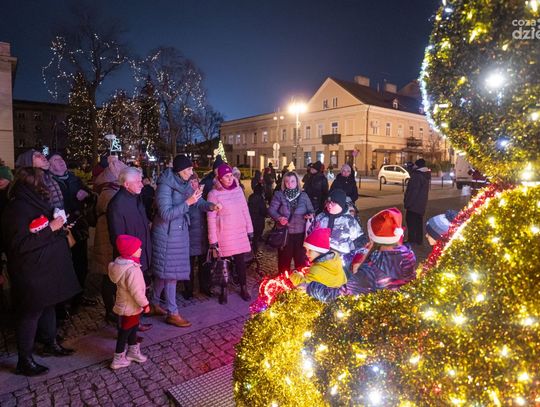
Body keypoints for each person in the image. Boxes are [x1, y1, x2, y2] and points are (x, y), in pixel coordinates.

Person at [2, 167, 80, 376]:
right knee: (30, 314)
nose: (46, 184)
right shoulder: (17, 208)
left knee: (48, 306)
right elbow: (19, 245)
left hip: (45, 268)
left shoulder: (36, 203)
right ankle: (24, 360)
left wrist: (61, 227)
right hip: (31, 271)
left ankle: (50, 343)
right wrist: (51, 229)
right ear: (32, 184)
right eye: (41, 181)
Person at [151, 155, 218, 326]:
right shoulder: (165, 186)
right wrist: (188, 203)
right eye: (188, 169)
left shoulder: (183, 183)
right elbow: (165, 214)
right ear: (180, 170)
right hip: (167, 234)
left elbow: (197, 202)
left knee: (165, 272)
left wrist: (210, 206)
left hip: (178, 233)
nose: (191, 172)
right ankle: (172, 313)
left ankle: (154, 303)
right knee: (171, 274)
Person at [307, 208, 416, 302]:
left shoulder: (370, 272)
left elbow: (339, 296)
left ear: (373, 238)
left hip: (377, 315)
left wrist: (311, 287)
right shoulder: (408, 255)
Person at [107, 167, 153, 332]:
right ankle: (125, 330)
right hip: (130, 258)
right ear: (126, 184)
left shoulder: (135, 197)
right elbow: (118, 237)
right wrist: (130, 258)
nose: (141, 184)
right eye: (138, 181)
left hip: (140, 252)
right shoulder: (117, 205)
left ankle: (134, 324)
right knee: (126, 292)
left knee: (138, 288)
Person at [48, 153, 96, 310]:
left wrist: (87, 195)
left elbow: (92, 197)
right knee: (63, 265)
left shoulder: (74, 179)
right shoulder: (48, 182)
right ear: (49, 165)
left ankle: (78, 298)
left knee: (81, 263)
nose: (61, 162)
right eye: (56, 160)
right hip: (60, 230)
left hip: (78, 227)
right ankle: (62, 303)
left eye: (61, 159)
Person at [207, 163, 254, 302]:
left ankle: (243, 287)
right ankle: (224, 289)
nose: (229, 178)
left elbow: (245, 210)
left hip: (239, 231)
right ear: (219, 178)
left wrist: (250, 230)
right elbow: (211, 218)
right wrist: (213, 240)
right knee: (224, 264)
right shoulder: (213, 194)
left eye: (231, 175)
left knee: (240, 262)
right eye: (226, 176)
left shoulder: (238, 190)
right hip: (224, 234)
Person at [93, 155, 128, 322]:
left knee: (111, 275)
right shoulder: (109, 192)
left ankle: (112, 309)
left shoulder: (110, 189)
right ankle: (110, 310)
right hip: (108, 238)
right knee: (109, 276)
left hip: (109, 236)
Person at [108, 235, 150, 370]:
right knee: (125, 330)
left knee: (133, 327)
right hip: (131, 306)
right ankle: (118, 358)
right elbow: (136, 292)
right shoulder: (132, 270)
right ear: (130, 252)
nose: (141, 249)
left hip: (125, 304)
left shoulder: (121, 265)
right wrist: (145, 304)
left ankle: (132, 351)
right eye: (138, 248)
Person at [268, 171, 314, 273]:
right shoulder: (279, 195)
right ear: (284, 183)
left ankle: (299, 281)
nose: (290, 184)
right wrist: (279, 218)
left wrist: (310, 215)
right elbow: (271, 210)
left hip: (301, 235)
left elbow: (311, 211)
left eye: (292, 181)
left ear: (297, 182)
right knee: (284, 262)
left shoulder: (304, 196)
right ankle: (284, 280)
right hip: (285, 234)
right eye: (287, 181)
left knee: (300, 262)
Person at [308, 189, 365, 258]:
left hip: (340, 259)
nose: (329, 205)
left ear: (341, 204)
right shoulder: (320, 217)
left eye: (334, 203)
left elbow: (360, 240)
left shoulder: (349, 221)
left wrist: (349, 250)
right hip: (319, 257)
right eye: (328, 202)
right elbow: (310, 233)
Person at [289, 228, 346, 293]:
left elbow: (303, 286)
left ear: (319, 250)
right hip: (340, 292)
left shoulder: (315, 269)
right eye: (306, 250)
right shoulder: (335, 258)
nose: (306, 253)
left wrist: (294, 275)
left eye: (310, 250)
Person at [186, 173, 212, 298]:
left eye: (195, 182)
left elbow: (203, 205)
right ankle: (188, 290)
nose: (193, 185)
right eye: (190, 183)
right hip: (189, 239)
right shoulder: (185, 199)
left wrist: (211, 206)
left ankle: (204, 287)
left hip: (202, 238)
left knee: (204, 265)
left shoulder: (201, 197)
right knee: (189, 267)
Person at [404, 158, 431, 244]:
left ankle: (412, 240)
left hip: (413, 205)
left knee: (411, 221)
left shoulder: (417, 175)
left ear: (417, 166)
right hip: (421, 204)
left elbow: (413, 191)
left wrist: (407, 203)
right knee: (418, 222)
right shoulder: (425, 174)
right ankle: (419, 240)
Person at [248, 183, 267, 255]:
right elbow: (263, 211)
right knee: (256, 238)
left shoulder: (251, 197)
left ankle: (253, 251)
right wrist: (266, 213)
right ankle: (254, 253)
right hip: (258, 221)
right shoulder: (260, 199)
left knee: (253, 237)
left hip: (251, 220)